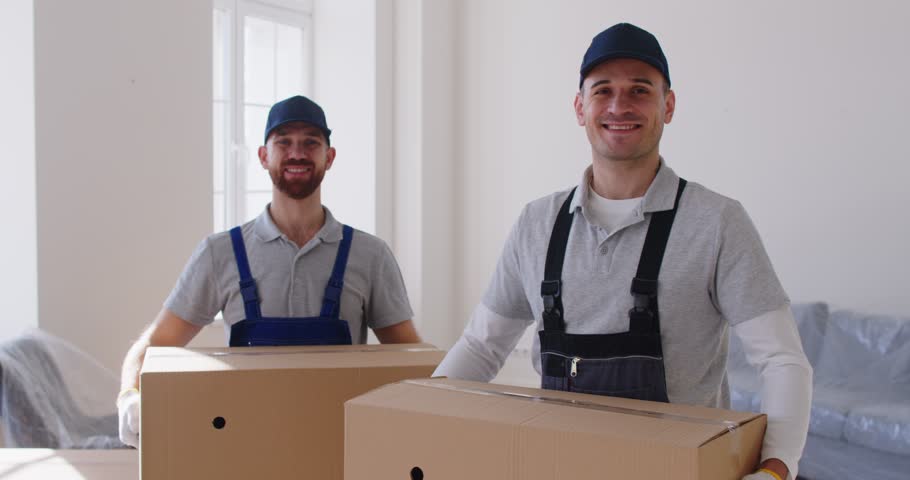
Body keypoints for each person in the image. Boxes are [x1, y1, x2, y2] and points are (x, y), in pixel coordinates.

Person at [433, 23, 811, 480]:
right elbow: (481, 346)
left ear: (668, 106)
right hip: (555, 466)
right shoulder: (537, 224)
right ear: (580, 107)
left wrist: (776, 468)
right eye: (603, 90)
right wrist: (417, 418)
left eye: (639, 90)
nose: (619, 106)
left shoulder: (717, 222)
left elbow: (782, 359)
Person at [117, 95, 420, 448]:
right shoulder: (221, 253)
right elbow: (157, 342)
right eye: (283, 142)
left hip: (342, 448)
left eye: (311, 142)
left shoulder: (370, 255)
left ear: (329, 157)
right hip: (245, 448)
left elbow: (410, 359)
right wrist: (129, 394)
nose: (297, 153)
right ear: (264, 156)